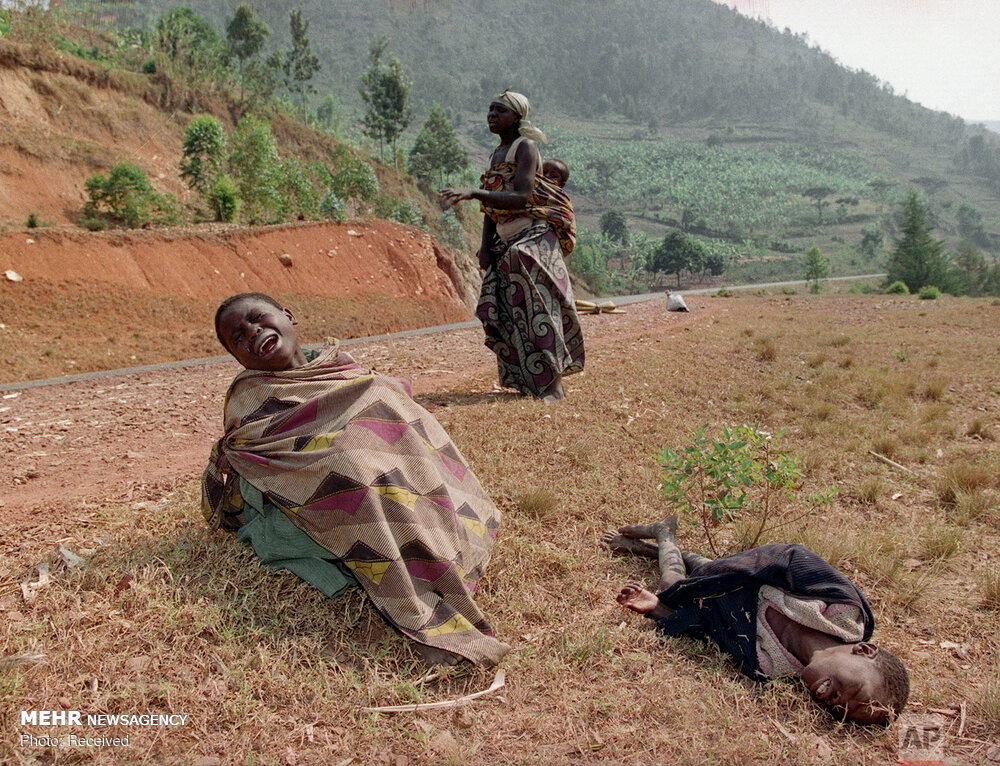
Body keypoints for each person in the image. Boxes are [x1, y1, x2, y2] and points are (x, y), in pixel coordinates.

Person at [201, 292, 509, 666]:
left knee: (378, 444)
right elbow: (254, 461)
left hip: (389, 486)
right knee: (351, 471)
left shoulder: (345, 370)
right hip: (299, 503)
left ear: (288, 315)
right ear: (238, 359)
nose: (251, 333)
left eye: (257, 318)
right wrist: (345, 456)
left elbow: (406, 427)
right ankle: (416, 606)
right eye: (238, 337)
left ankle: (429, 540)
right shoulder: (250, 397)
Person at [604, 518, 909, 724]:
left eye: (840, 712)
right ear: (864, 651)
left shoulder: (767, 667)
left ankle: (662, 537)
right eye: (855, 692)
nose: (836, 700)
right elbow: (794, 557)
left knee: (673, 588)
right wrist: (733, 572)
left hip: (722, 597)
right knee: (704, 572)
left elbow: (712, 633)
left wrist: (658, 609)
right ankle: (663, 538)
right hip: (748, 571)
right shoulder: (842, 610)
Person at [440, 90, 584, 402]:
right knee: (508, 310)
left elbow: (520, 196)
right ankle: (529, 382)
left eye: (500, 110)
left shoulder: (526, 147)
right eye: (490, 109)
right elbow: (493, 207)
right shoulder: (496, 154)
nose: (491, 115)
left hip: (533, 239)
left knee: (538, 309)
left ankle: (554, 386)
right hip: (506, 239)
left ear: (516, 117)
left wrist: (474, 193)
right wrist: (484, 245)